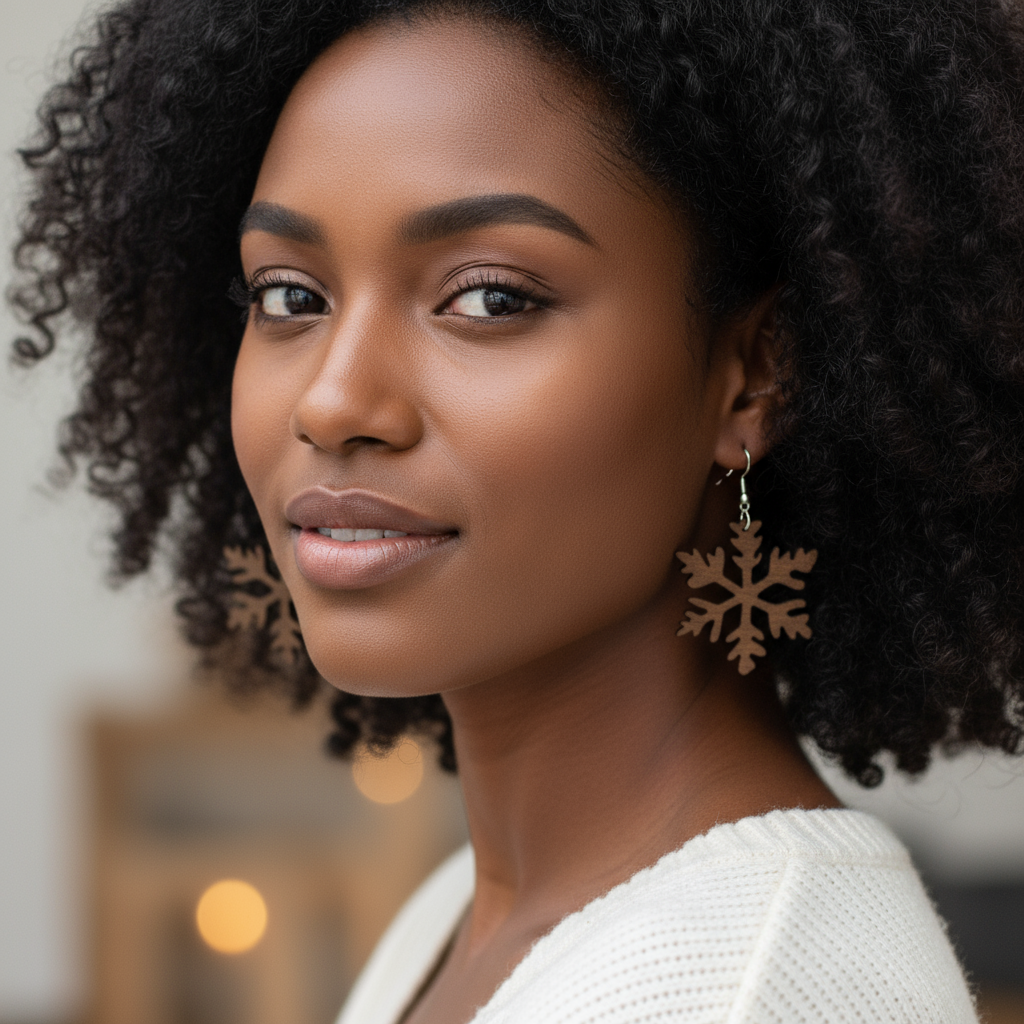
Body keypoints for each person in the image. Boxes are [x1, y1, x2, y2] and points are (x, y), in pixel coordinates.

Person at [11, 0, 1024, 1020]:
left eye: (490, 297)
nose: (332, 401)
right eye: (289, 296)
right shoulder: (469, 915)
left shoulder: (742, 989)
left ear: (755, 371)